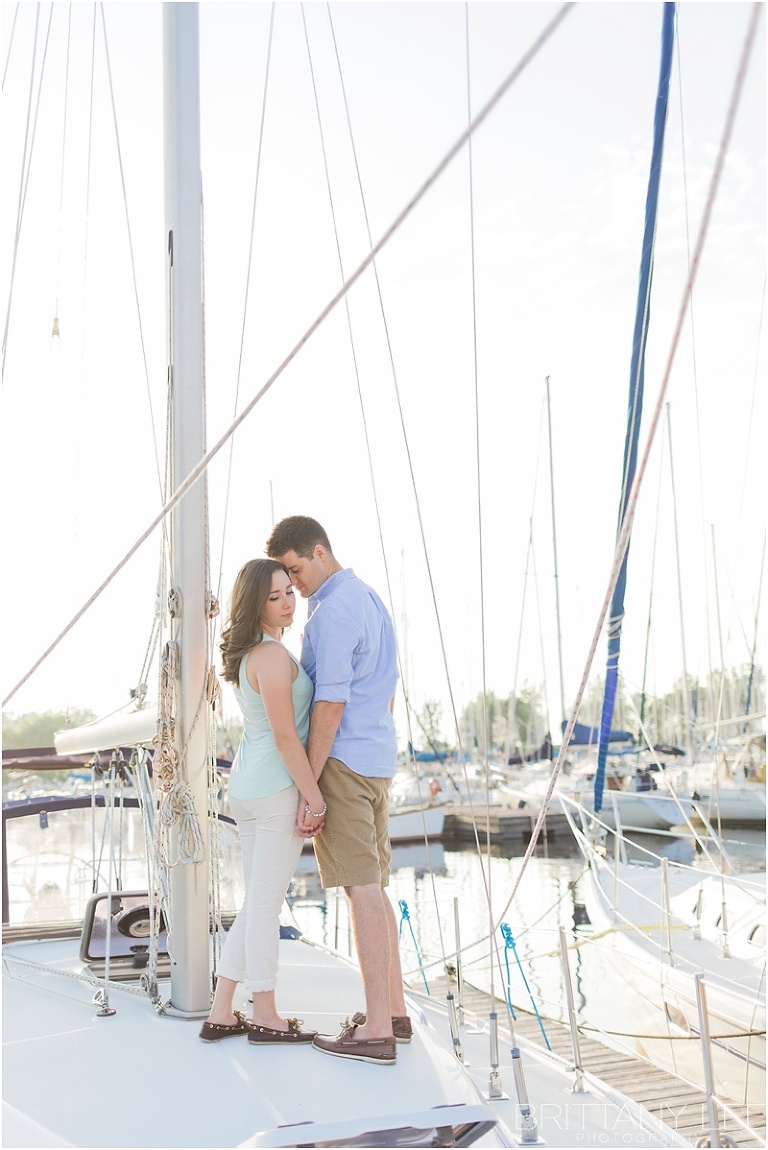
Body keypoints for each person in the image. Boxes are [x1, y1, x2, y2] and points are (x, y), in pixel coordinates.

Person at [266, 515, 409, 1066]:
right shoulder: (369, 598)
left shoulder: (331, 612)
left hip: (344, 762)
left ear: (319, 552)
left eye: (296, 570)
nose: (294, 584)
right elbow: (385, 689)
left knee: (360, 888)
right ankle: (394, 1012)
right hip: (376, 759)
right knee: (375, 885)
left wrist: (311, 785)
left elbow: (329, 704)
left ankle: (376, 1030)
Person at [199, 558, 327, 1046]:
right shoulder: (270, 656)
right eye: (274, 597)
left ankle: (221, 1011)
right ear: (256, 605)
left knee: (256, 903)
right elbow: (285, 736)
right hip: (274, 790)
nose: (287, 602)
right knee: (265, 907)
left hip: (249, 789)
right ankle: (266, 1014)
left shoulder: (252, 652)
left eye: (288, 591)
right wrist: (314, 798)